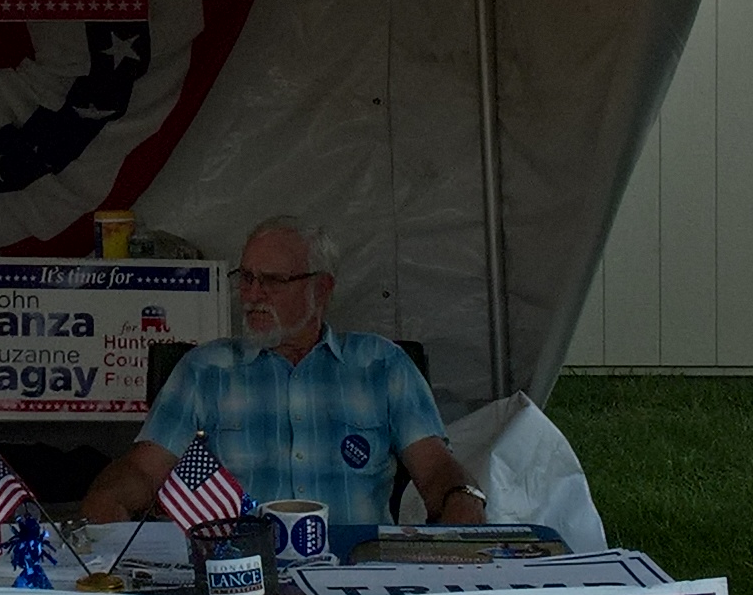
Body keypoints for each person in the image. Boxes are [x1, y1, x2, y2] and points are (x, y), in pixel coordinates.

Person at [81, 216, 485, 526]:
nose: (253, 295)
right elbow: (142, 470)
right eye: (248, 278)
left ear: (321, 290)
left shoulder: (381, 364)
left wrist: (461, 496)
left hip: (352, 574)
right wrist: (108, 496)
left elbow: (434, 467)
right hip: (236, 571)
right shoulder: (206, 370)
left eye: (272, 281)